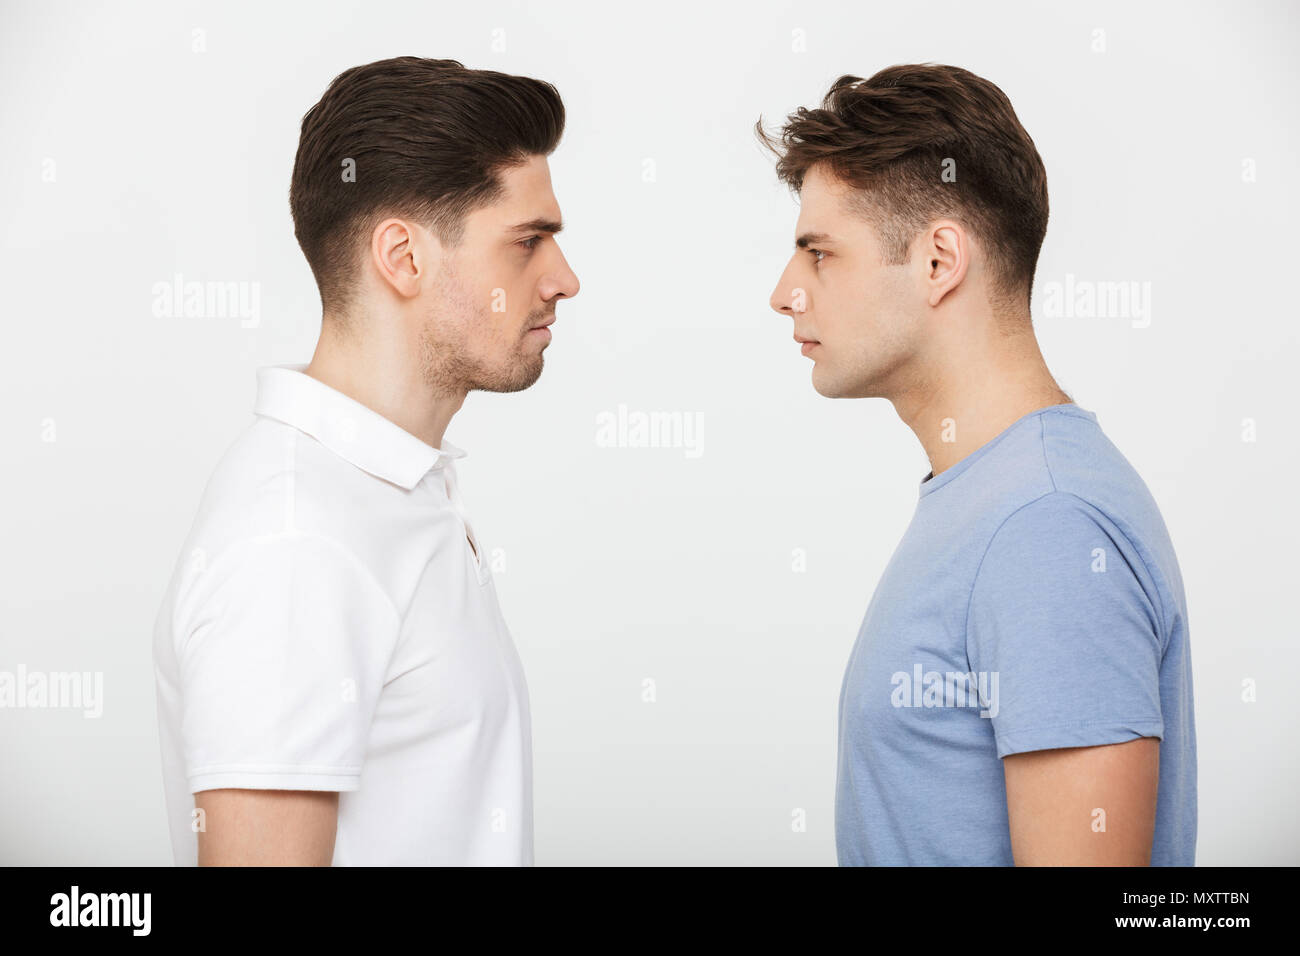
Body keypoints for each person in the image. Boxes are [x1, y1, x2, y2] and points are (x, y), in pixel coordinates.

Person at [760, 64, 1195, 865]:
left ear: (938, 262)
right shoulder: (996, 499)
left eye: (819, 253)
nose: (784, 291)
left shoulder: (1048, 528)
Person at [152, 56, 579, 865]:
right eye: (528, 241)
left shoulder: (390, 491)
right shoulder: (298, 539)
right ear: (404, 257)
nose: (564, 278)